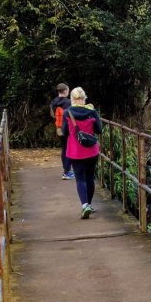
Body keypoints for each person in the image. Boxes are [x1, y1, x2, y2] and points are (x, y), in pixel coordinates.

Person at [61, 87, 102, 219]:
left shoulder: (67, 113)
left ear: (72, 99)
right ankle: (89, 204)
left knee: (80, 178)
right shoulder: (92, 112)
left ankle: (85, 205)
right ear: (84, 99)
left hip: (75, 150)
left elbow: (65, 132)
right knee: (90, 177)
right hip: (91, 150)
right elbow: (99, 130)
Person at [50, 83, 73, 180]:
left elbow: (52, 115)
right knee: (69, 149)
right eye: (68, 90)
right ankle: (67, 172)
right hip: (68, 128)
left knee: (64, 148)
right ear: (65, 91)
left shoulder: (53, 102)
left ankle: (66, 170)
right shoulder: (68, 102)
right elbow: (71, 115)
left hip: (59, 128)